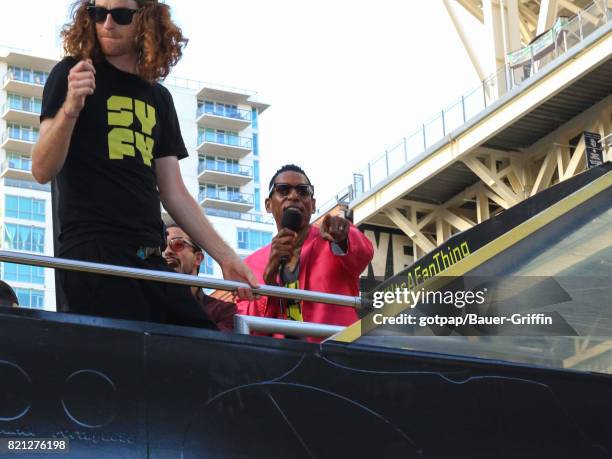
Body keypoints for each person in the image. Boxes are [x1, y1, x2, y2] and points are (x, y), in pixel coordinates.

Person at [32, 0, 257, 327]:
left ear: (146, 20)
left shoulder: (158, 97)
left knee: (203, 348)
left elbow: (174, 192)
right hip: (95, 255)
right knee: (131, 364)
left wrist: (227, 257)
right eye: (99, 13)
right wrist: (70, 107)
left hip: (151, 257)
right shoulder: (71, 73)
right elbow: (41, 169)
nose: (108, 23)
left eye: (121, 15)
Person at [236, 164, 374, 333]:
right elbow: (249, 328)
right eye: (283, 190)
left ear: (313, 204)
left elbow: (364, 252)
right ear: (268, 204)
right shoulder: (251, 265)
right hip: (282, 356)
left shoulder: (332, 240)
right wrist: (269, 277)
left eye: (303, 191)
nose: (294, 196)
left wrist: (344, 234)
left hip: (335, 350)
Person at [163, 223, 236, 332]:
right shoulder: (151, 306)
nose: (167, 252)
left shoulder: (223, 311)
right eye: (162, 247)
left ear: (198, 258)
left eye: (177, 244)